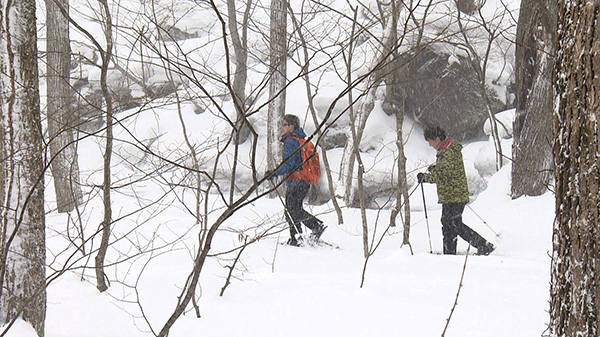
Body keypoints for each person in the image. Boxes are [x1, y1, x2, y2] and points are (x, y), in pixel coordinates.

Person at [417, 126, 495, 256]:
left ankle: (483, 245)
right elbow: (447, 169)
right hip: (451, 195)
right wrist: (436, 168)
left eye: (430, 141)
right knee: (448, 224)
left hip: (455, 195)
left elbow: (444, 175)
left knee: (453, 224)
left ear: (437, 139)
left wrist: (426, 178)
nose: (430, 145)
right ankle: (449, 252)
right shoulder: (446, 150)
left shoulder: (448, 152)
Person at [269, 114, 326, 246]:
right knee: (293, 209)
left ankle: (311, 229)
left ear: (291, 126)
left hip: (297, 181)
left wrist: (275, 173)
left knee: (292, 210)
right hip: (303, 180)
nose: (282, 127)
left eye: (285, 125)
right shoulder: (301, 139)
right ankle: (298, 236)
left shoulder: (291, 141)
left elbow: (289, 163)